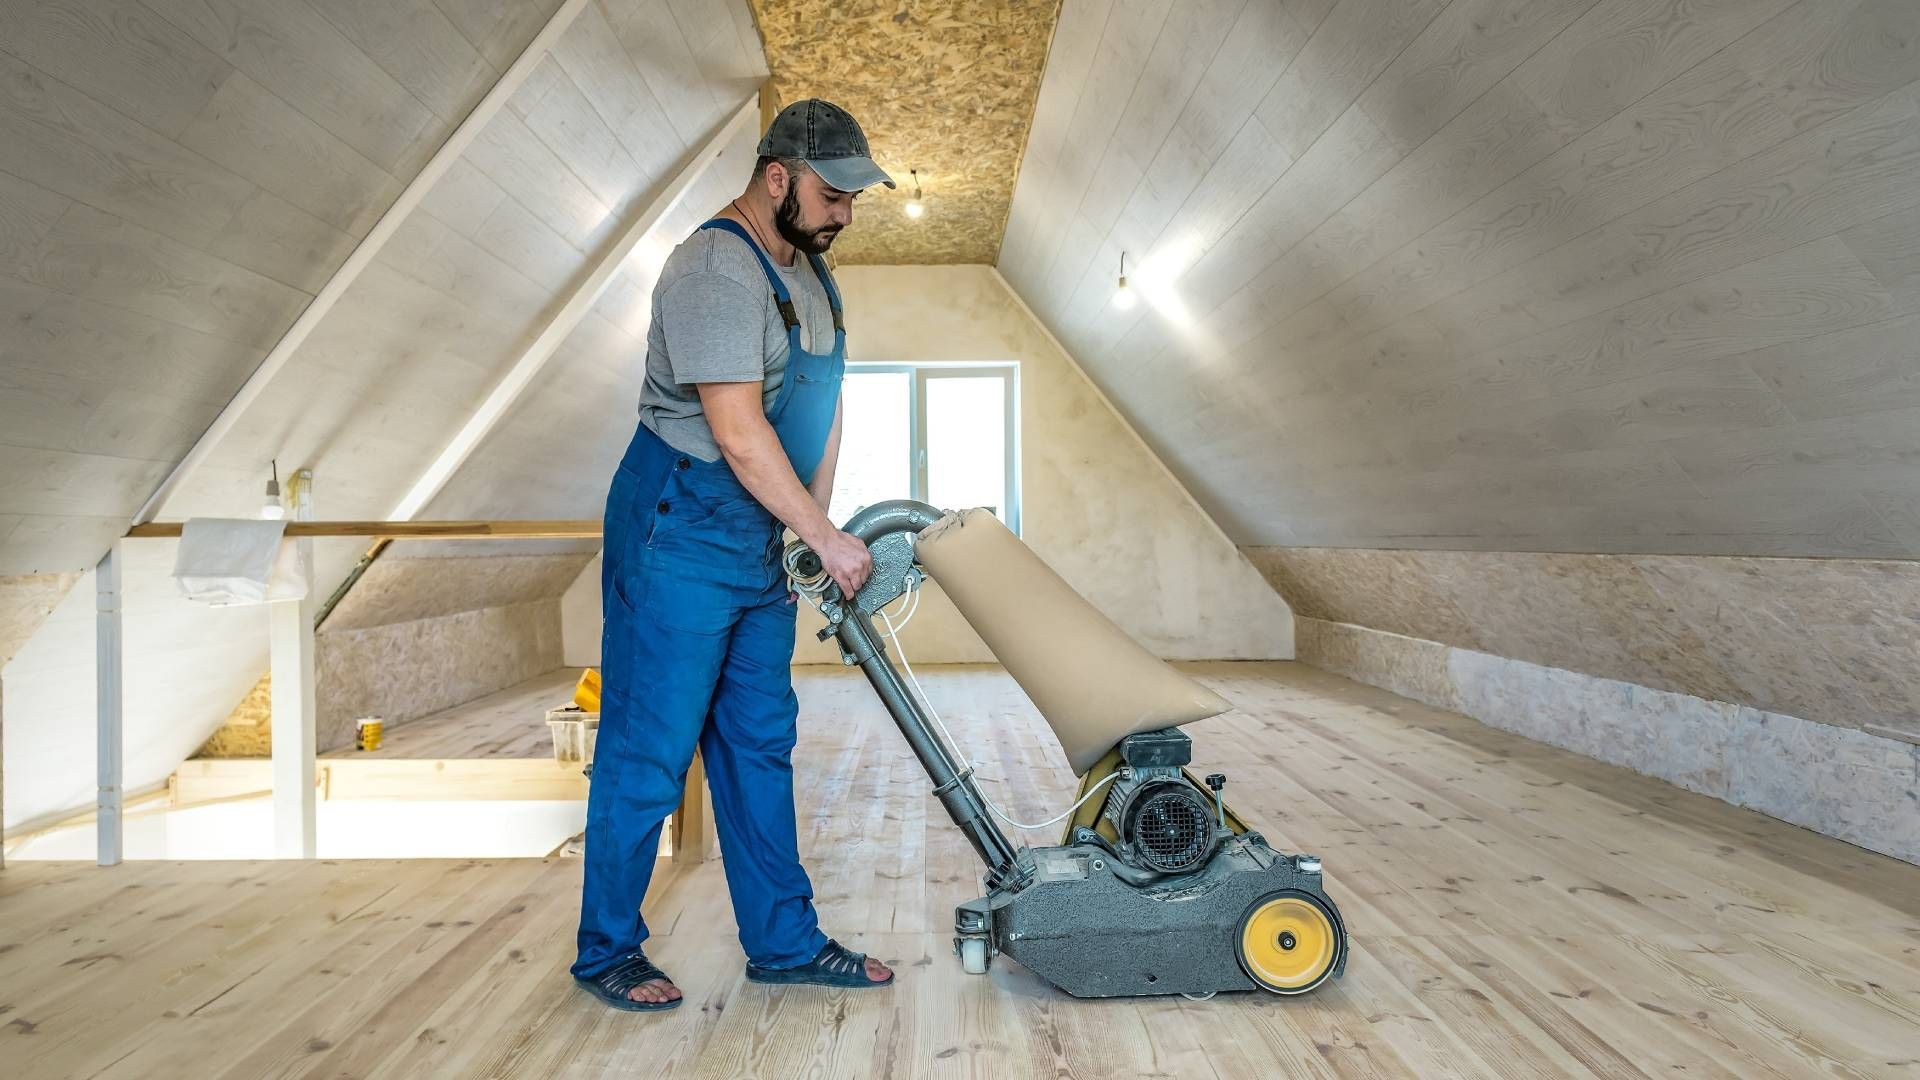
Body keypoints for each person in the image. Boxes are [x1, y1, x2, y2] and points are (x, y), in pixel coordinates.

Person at [571, 99, 895, 1011]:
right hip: (682, 524)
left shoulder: (815, 277)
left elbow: (821, 414)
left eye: (853, 200)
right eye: (833, 195)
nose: (843, 215)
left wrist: (809, 532)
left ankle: (783, 943)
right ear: (778, 177)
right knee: (651, 748)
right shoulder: (715, 268)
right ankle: (607, 952)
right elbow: (738, 429)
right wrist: (822, 538)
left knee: (760, 744)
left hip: (758, 530)